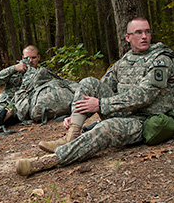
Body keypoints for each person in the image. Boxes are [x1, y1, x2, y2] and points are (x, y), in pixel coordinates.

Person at [16, 17, 174, 176]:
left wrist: (101, 105)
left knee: (106, 128)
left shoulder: (161, 60)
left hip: (144, 119)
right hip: (125, 112)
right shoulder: (125, 61)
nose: (144, 36)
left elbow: (145, 95)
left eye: (147, 32)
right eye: (138, 32)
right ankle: (72, 133)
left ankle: (47, 161)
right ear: (128, 37)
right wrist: (76, 115)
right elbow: (101, 85)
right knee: (88, 82)